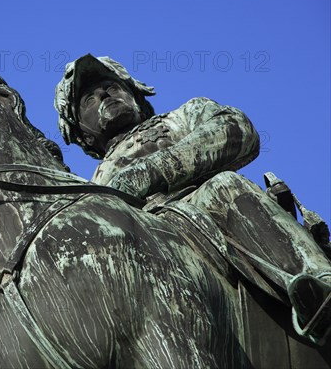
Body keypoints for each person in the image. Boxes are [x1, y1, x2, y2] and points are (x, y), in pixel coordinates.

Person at [54, 54, 331, 344]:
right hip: (147, 245)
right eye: (89, 99)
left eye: (111, 86)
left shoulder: (183, 116)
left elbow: (236, 129)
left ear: (136, 97)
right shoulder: (93, 183)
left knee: (223, 187)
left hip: (207, 209)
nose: (104, 94)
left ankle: (318, 284)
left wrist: (154, 169)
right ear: (82, 135)